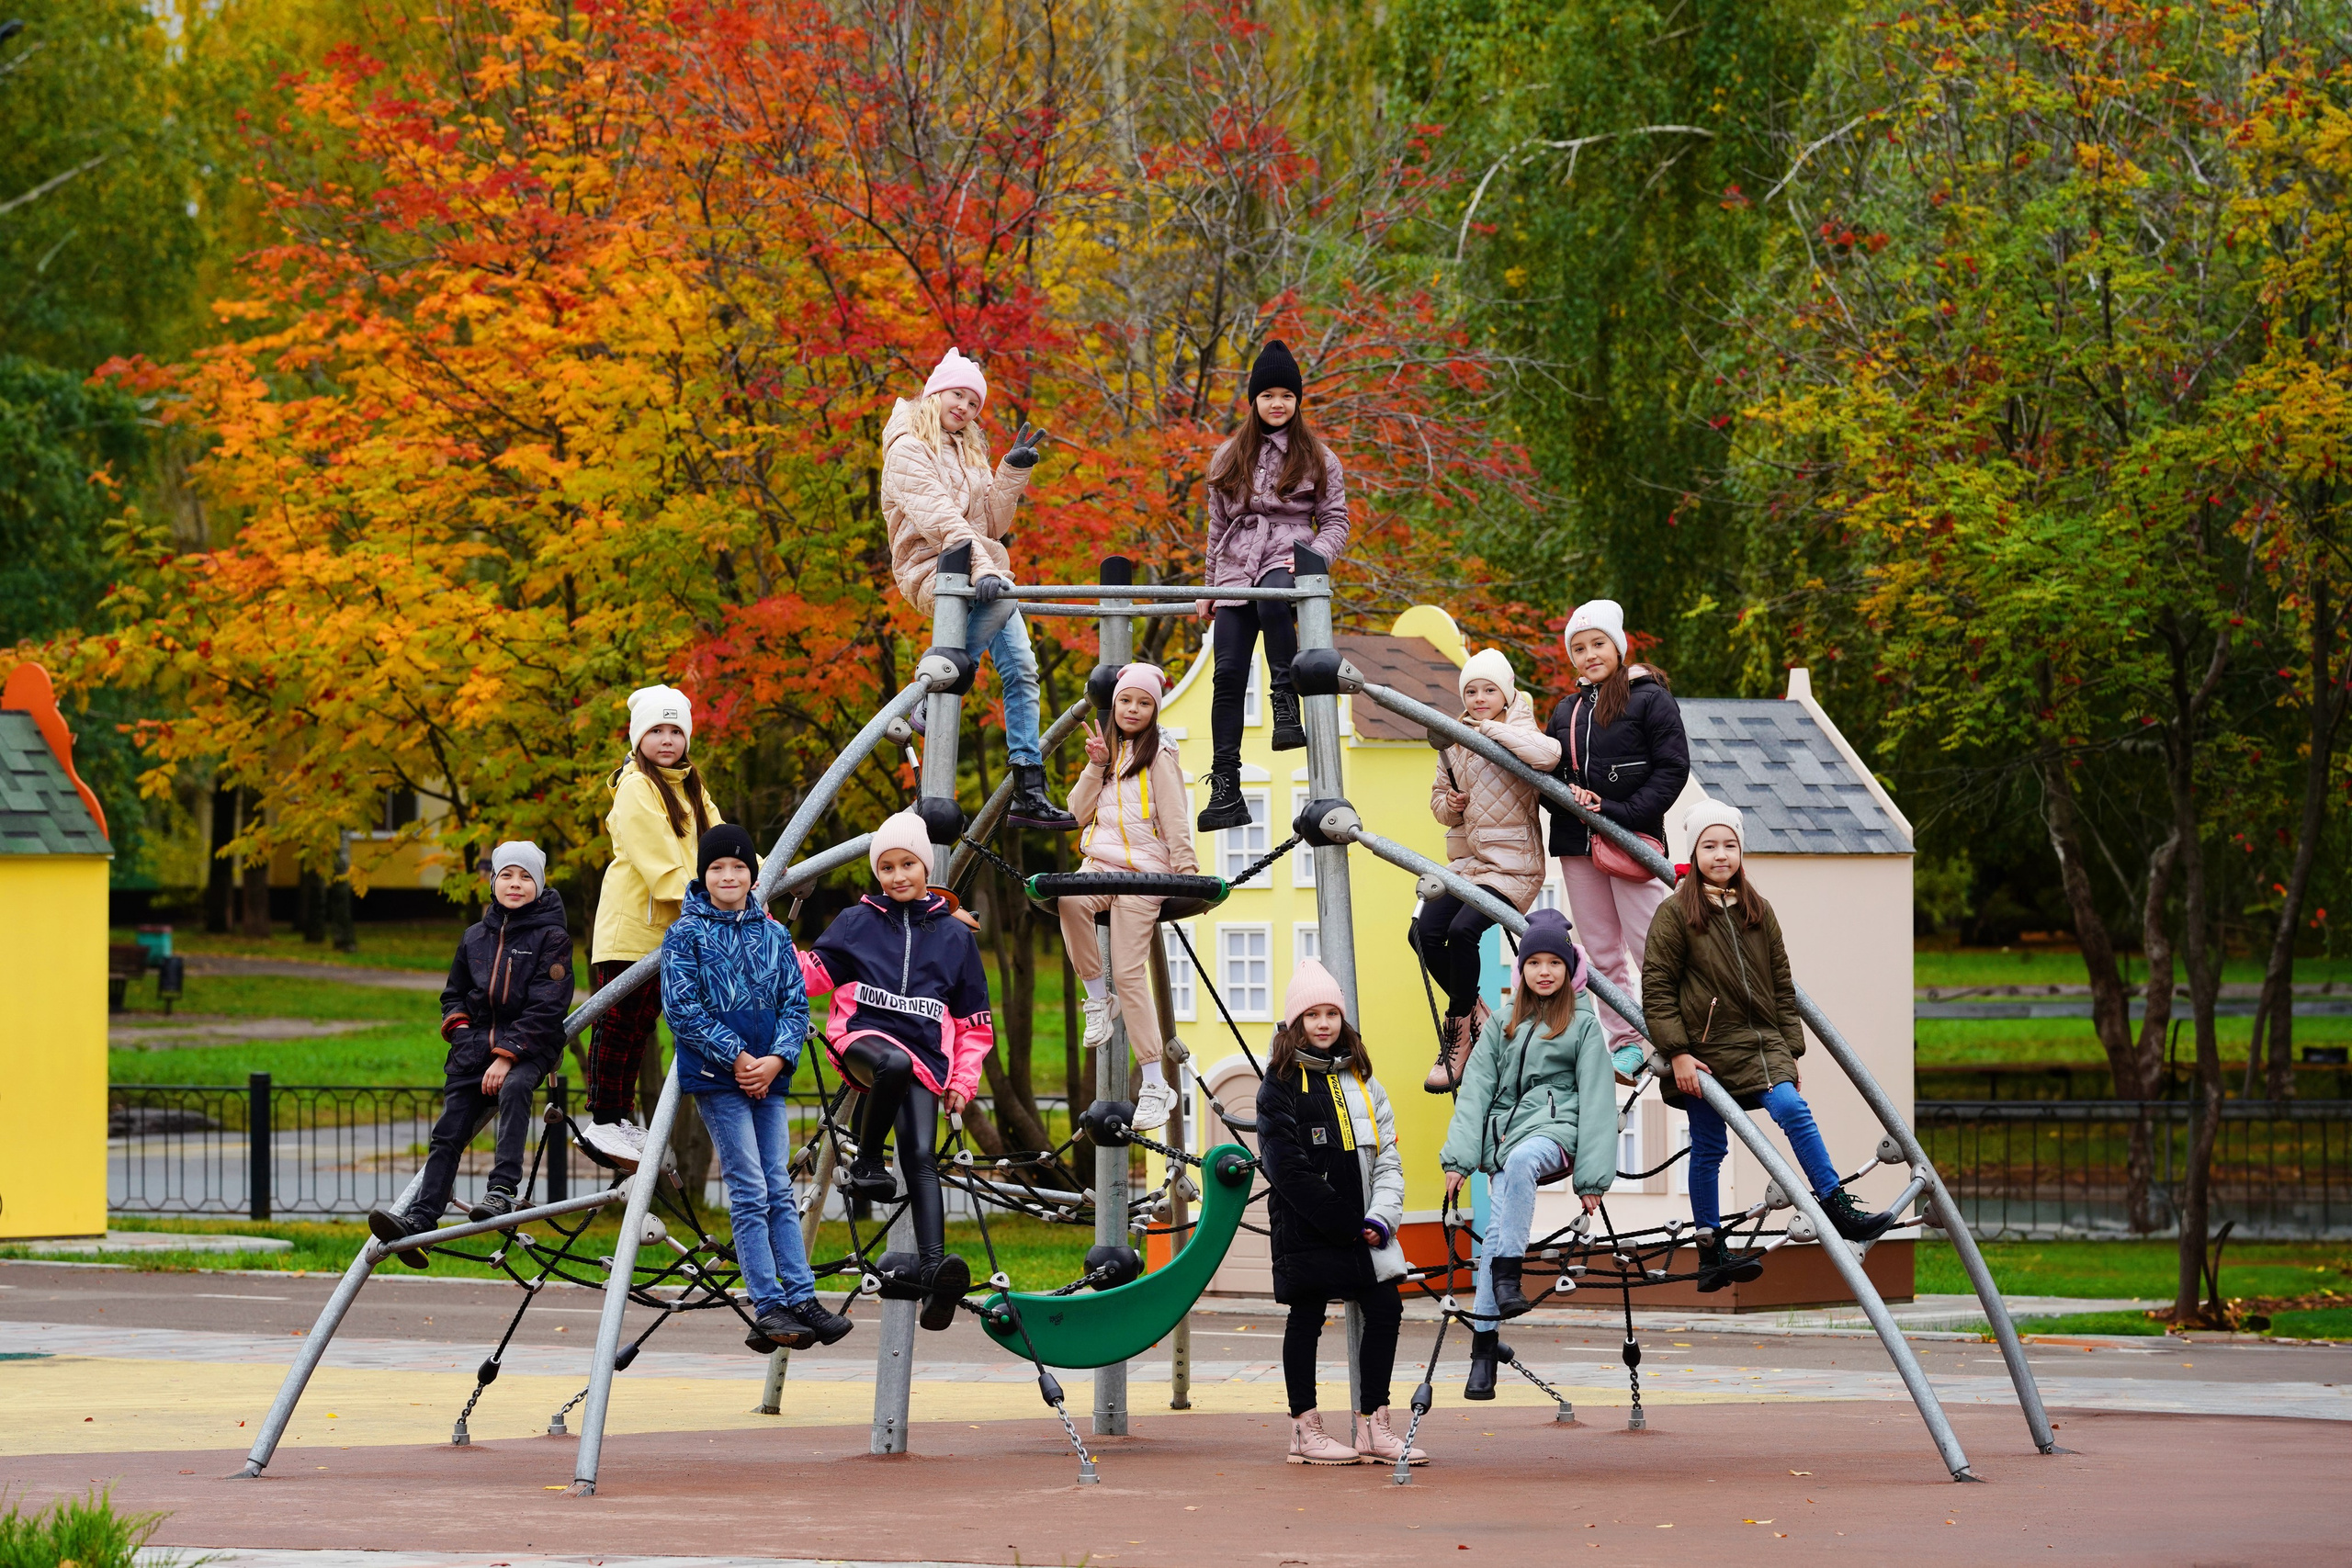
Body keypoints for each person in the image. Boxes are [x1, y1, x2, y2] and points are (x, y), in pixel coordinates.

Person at [1642, 798, 1897, 1292]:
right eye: (1709, 845)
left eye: (1730, 845)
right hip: (1705, 1053)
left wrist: (1790, 1051)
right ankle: (1711, 1250)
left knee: (1791, 1107)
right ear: (1693, 852)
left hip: (1761, 1045)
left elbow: (1782, 985)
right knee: (1710, 1146)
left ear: (1742, 851)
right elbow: (1656, 988)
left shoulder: (1758, 911)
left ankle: (1835, 1203)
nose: (1721, 855)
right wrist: (1677, 1054)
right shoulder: (1676, 914)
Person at [796, 810, 993, 1331]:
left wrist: (963, 1080)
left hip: (926, 1059)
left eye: (908, 864)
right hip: (863, 1040)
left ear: (925, 867)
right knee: (892, 1062)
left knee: (924, 1157)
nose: (898, 875)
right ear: (876, 873)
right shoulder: (857, 922)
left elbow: (973, 1022)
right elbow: (814, 976)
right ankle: (866, 1164)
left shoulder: (955, 936)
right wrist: (771, 942)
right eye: (887, 867)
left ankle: (935, 1277)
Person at [662, 825, 855, 1350]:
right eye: (718, 868)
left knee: (777, 1185)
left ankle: (802, 1296)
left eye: (739, 868)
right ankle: (767, 1303)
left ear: (753, 875)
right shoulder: (686, 934)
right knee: (749, 1187)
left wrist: (774, 1059)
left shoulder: (773, 935)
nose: (729, 876)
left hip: (768, 1077)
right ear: (703, 875)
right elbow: (682, 1008)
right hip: (719, 1079)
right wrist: (739, 1056)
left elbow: (795, 1005)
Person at [880, 345, 1074, 830]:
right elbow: (941, 521)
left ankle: (1029, 784)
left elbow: (989, 522)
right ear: (934, 393)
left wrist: (1011, 473)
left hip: (979, 566)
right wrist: (987, 570)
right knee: (1006, 603)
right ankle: (932, 689)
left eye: (973, 403)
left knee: (1024, 671)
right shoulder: (907, 446)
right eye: (957, 395)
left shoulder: (969, 451)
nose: (964, 408)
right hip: (935, 566)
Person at [1438, 908, 1616, 1401]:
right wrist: (1457, 1160)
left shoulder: (1581, 1026)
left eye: (1553, 963)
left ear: (1568, 969)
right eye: (1533, 962)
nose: (1543, 971)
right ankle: (1484, 1347)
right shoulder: (1501, 1025)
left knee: (1518, 1168)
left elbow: (1598, 1099)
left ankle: (1509, 1277)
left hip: (1555, 1134)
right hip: (1504, 1138)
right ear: (1521, 971)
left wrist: (1593, 1181)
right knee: (1494, 1229)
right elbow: (1475, 1090)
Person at [1253, 960, 1426, 1466]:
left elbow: (1389, 1159)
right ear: (1295, 1023)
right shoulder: (1279, 1084)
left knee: (1386, 1310)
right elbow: (1285, 1166)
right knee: (1305, 1317)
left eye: (1332, 1013)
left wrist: (1380, 1220)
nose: (1324, 1023)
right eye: (1312, 1015)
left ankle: (1373, 1426)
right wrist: (1344, 1224)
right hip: (1309, 1228)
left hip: (1366, 1231)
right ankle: (1304, 1431)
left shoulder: (1364, 1083)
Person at [368, 842, 573, 1259]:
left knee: (515, 1090)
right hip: (474, 1049)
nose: (516, 885)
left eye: (526, 877)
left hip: (528, 1046)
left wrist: (507, 1054)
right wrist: (463, 1035)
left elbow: (548, 1005)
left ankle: (501, 1191)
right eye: (507, 876)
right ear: (493, 882)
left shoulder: (551, 937)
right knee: (447, 1133)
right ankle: (422, 1217)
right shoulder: (474, 937)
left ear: (540, 883)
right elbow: (453, 995)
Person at [1195, 339, 1350, 831]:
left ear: (1298, 400)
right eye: (1267, 395)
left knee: (1273, 599)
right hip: (1235, 564)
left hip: (1285, 556)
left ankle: (1286, 703)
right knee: (1227, 676)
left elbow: (1336, 522)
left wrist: (1311, 559)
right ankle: (1226, 786)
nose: (1277, 403)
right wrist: (1208, 587)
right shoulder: (1228, 456)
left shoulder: (1317, 458)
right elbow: (1217, 529)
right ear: (1254, 401)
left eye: (1286, 394)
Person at [582, 683, 722, 1168]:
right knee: (618, 1023)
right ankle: (603, 1119)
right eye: (656, 731)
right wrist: (709, 901)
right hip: (632, 928)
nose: (667, 740)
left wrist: (761, 871)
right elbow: (659, 862)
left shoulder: (693, 788)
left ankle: (618, 1119)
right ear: (638, 737)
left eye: (675, 731)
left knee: (642, 1027)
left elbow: (720, 849)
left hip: (673, 932)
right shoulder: (636, 786)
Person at [1548, 599, 1690, 1069]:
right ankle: (1625, 1042)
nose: (1590, 654)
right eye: (1579, 648)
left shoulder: (1648, 697)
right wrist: (1566, 796)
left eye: (1598, 643)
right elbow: (1546, 778)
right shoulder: (1565, 710)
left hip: (1632, 840)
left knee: (1652, 944)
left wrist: (1623, 813)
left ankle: (1677, 1036)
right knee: (1601, 953)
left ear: (1619, 646)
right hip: (1577, 844)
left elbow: (1672, 768)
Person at [1417, 647, 1561, 1093]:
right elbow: (1439, 802)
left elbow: (1548, 756)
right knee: (1422, 934)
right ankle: (1473, 1010)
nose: (1479, 698)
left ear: (1506, 692)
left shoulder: (1517, 728)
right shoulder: (1455, 735)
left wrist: (1491, 732)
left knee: (1463, 932)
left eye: (1489, 689)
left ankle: (1459, 1030)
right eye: (1472, 691)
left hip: (1514, 865)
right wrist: (1451, 805)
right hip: (1471, 863)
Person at [1060, 662, 1195, 1132]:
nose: (1133, 709)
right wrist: (1095, 766)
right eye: (1125, 701)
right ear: (1113, 705)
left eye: (1143, 703)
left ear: (1154, 710)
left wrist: (1186, 870)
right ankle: (1098, 998)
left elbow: (1176, 817)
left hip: (1144, 872)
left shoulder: (1160, 757)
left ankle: (1156, 1081)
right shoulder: (1105, 753)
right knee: (1071, 900)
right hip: (1100, 864)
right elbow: (1075, 815)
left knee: (1131, 969)